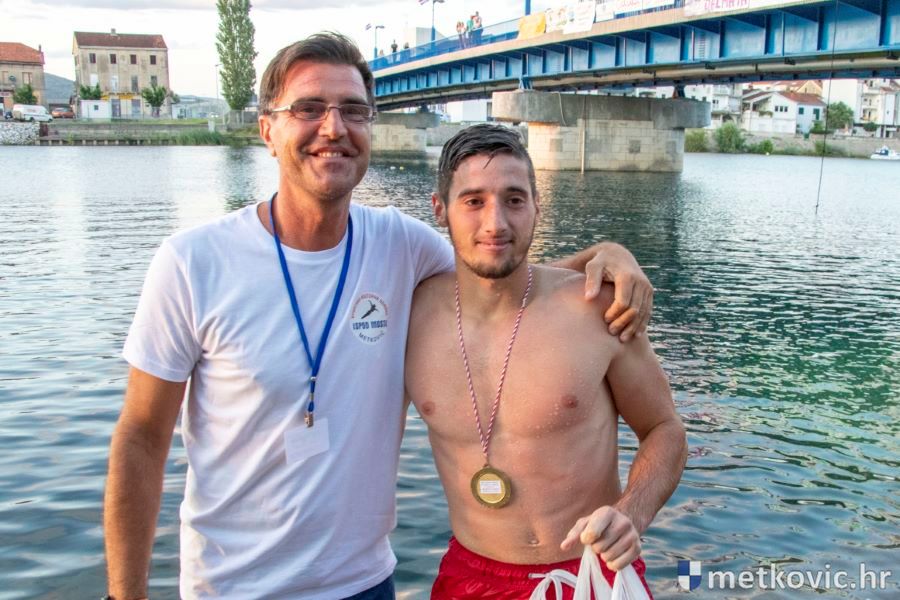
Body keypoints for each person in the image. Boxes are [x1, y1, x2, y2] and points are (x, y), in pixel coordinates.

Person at [103, 33, 653, 599]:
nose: (333, 128)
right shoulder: (193, 263)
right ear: (267, 130)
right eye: (308, 109)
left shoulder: (400, 246)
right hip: (233, 587)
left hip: (364, 582)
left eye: (353, 110)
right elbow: (141, 437)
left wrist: (606, 254)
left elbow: (497, 269)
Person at [405, 124, 687, 599]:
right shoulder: (408, 315)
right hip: (469, 578)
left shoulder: (597, 309)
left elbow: (665, 428)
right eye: (473, 201)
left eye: (514, 200)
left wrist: (632, 514)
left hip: (591, 573)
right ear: (440, 208)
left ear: (537, 206)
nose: (495, 223)